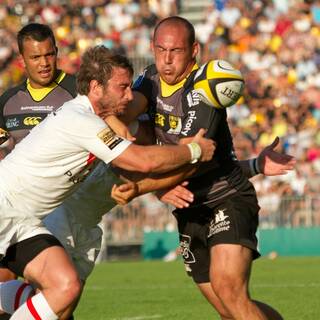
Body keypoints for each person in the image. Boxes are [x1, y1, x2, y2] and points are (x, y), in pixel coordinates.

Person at [0, 45, 215, 320]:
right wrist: (193, 151)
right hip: (4, 209)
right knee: (59, 296)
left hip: (25, 221)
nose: (129, 95)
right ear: (95, 87)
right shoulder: (80, 120)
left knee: (64, 288)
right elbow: (141, 161)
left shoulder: (91, 118)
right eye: (122, 87)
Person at [115, 16, 296, 320]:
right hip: (189, 210)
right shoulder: (147, 79)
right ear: (151, 48)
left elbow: (190, 158)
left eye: (176, 51)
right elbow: (125, 113)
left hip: (227, 198)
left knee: (230, 292)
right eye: (161, 50)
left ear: (194, 50)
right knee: (229, 309)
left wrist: (149, 187)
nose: (167, 60)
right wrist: (114, 117)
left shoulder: (204, 90)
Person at [0, 22, 77, 320]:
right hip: (16, 210)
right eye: (36, 57)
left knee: (59, 294)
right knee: (12, 287)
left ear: (56, 53)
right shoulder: (8, 102)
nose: (44, 63)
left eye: (49, 55)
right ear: (22, 59)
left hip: (62, 210)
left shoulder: (76, 92)